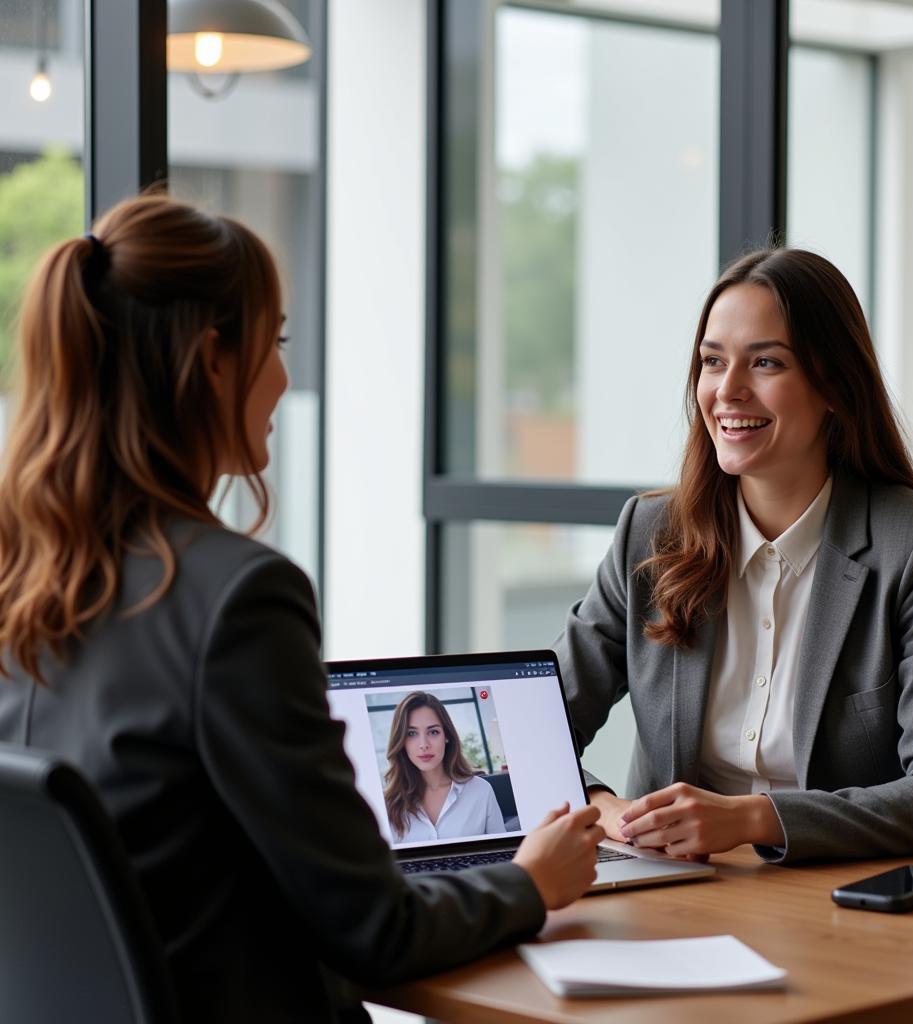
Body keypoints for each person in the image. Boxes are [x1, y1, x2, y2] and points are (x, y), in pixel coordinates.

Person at [0, 193, 603, 1024]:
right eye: (275, 342)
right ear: (212, 359)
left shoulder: (19, 578)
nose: (285, 377)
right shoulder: (238, 599)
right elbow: (374, 930)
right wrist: (531, 882)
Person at [555, 247, 913, 867]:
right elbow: (531, 735)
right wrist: (606, 809)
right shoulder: (649, 533)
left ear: (835, 385)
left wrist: (752, 819)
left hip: (852, 903)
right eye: (712, 362)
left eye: (765, 362)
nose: (728, 390)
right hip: (676, 893)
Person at [384, 690, 507, 842]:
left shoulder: (481, 791)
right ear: (401, 741)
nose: (424, 745)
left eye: (433, 732)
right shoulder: (388, 803)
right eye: (411, 734)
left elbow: (501, 853)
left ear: (446, 736)